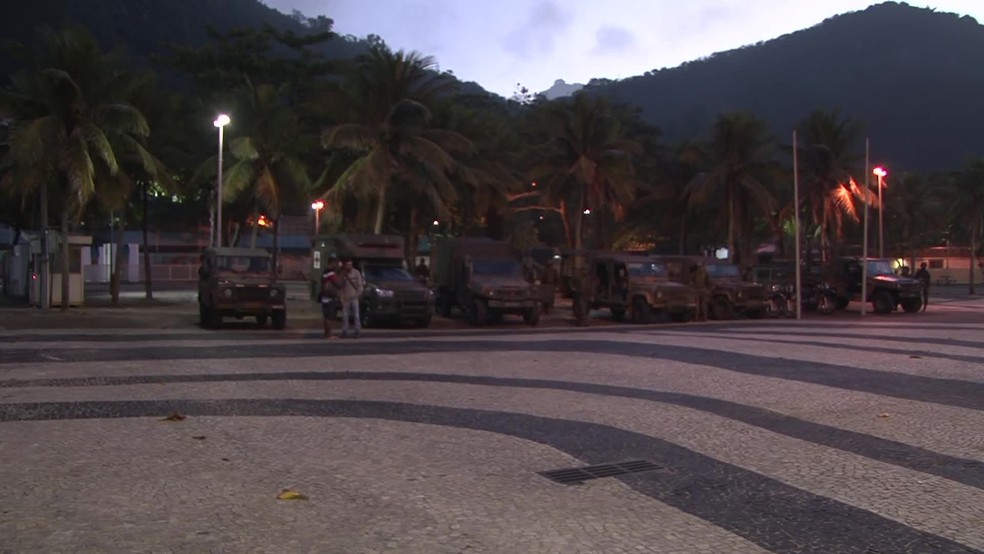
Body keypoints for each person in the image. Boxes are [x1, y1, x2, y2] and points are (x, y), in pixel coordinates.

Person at [338, 257, 365, 338]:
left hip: (354, 297)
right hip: (346, 297)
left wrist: (358, 294)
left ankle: (357, 331)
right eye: (347, 265)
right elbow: (340, 286)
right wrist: (341, 297)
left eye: (350, 264)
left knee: (356, 315)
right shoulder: (343, 274)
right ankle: (345, 331)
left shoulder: (356, 273)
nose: (349, 266)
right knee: (345, 316)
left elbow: (360, 285)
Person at [319, 255, 341, 339]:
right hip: (329, 297)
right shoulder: (330, 273)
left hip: (324, 297)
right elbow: (339, 284)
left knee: (326, 317)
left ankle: (326, 334)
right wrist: (342, 274)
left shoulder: (325, 272)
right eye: (336, 263)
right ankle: (329, 334)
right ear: (332, 263)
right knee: (329, 317)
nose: (337, 265)